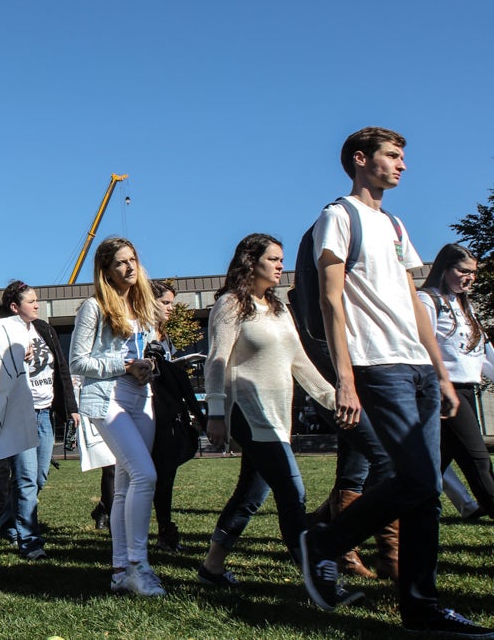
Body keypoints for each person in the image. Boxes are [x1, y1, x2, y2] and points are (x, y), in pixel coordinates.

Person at [299, 127, 491, 635]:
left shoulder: (397, 225)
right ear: (361, 160)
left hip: (420, 369)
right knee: (420, 482)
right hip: (377, 366)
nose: (401, 165)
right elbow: (331, 300)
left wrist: (442, 372)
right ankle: (325, 542)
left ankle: (420, 608)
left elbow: (413, 302)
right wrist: (345, 377)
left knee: (422, 491)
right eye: (391, 156)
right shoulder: (338, 217)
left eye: (402, 156)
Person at [197, 234, 339, 589]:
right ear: (251, 261)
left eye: (281, 259)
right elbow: (216, 360)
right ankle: (314, 576)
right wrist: (215, 413)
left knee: (252, 494)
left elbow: (299, 361)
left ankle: (212, 568)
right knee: (293, 492)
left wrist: (335, 399)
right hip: (248, 412)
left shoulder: (277, 308)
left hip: (279, 415)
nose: (280, 266)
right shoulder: (230, 305)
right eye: (273, 259)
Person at [69, 237, 163, 597]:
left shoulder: (144, 306)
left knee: (125, 486)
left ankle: (120, 570)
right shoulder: (93, 308)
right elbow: (78, 362)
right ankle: (140, 565)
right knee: (145, 475)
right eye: (121, 262)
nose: (130, 267)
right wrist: (123, 365)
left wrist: (148, 366)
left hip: (142, 398)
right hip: (106, 398)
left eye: (133, 259)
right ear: (106, 270)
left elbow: (146, 350)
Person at [0, 281, 78, 561]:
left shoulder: (45, 329)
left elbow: (61, 369)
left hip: (45, 414)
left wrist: (70, 407)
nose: (37, 305)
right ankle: (29, 540)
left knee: (38, 476)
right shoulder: (3, 333)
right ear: (15, 307)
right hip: (20, 414)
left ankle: (6, 520)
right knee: (26, 479)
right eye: (31, 302)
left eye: (37, 301)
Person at [418, 243, 494, 520]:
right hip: (442, 391)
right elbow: (423, 346)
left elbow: (479, 356)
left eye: (472, 272)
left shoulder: (465, 306)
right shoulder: (427, 300)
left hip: (466, 390)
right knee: (478, 461)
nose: (469, 277)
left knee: (425, 470)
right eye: (463, 271)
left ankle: (340, 518)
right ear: (444, 269)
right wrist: (439, 383)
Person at [147, 280, 206, 553]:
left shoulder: (163, 334)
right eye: (165, 303)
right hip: (147, 410)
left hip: (168, 410)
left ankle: (164, 527)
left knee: (164, 471)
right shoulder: (141, 331)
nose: (171, 308)